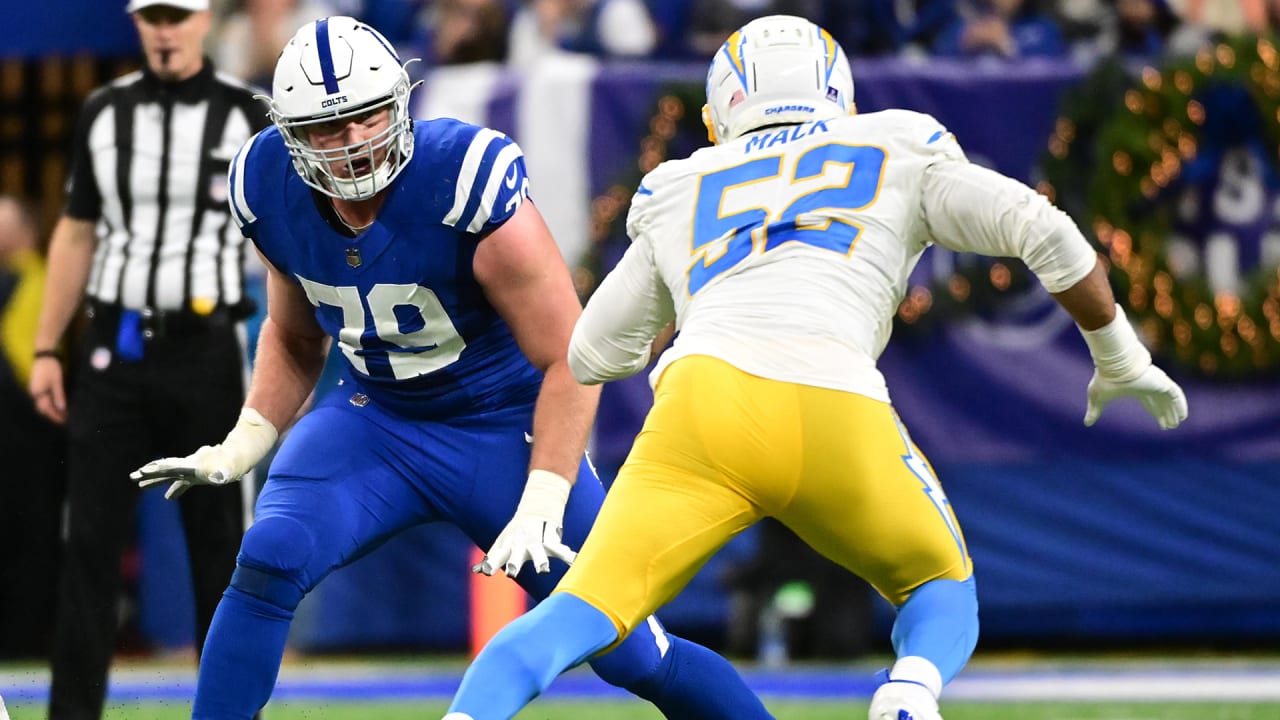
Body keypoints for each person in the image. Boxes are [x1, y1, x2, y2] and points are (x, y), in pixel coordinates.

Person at [444, 14, 1189, 720]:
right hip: (837, 405)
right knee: (940, 588)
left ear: (721, 112)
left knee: (577, 613)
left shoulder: (682, 183)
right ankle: (910, 689)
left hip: (703, 405)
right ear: (840, 93)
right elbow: (1047, 232)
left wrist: (677, 308)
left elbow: (591, 353)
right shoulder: (896, 145)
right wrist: (1117, 352)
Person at [130, 16, 772, 720]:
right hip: (377, 421)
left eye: (365, 117)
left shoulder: (463, 181)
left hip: (504, 428)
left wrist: (542, 496)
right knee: (271, 552)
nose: (350, 143)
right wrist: (246, 439)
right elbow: (292, 334)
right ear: (289, 134)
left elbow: (571, 357)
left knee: (629, 648)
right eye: (326, 128)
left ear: (399, 105)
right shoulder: (266, 185)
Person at [28, 1, 269, 716]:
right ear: (138, 23)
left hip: (206, 348)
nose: (165, 30)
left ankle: (229, 709)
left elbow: (277, 231)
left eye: (178, 16)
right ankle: (72, 713)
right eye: (153, 17)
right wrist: (47, 345)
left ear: (202, 21)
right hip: (116, 347)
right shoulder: (105, 111)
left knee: (220, 545)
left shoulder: (245, 112)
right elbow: (76, 231)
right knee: (90, 542)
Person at [0, 196, 62, 659]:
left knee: (30, 536)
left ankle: (25, 640)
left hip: (25, 432)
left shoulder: (38, 280)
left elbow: (25, 361)